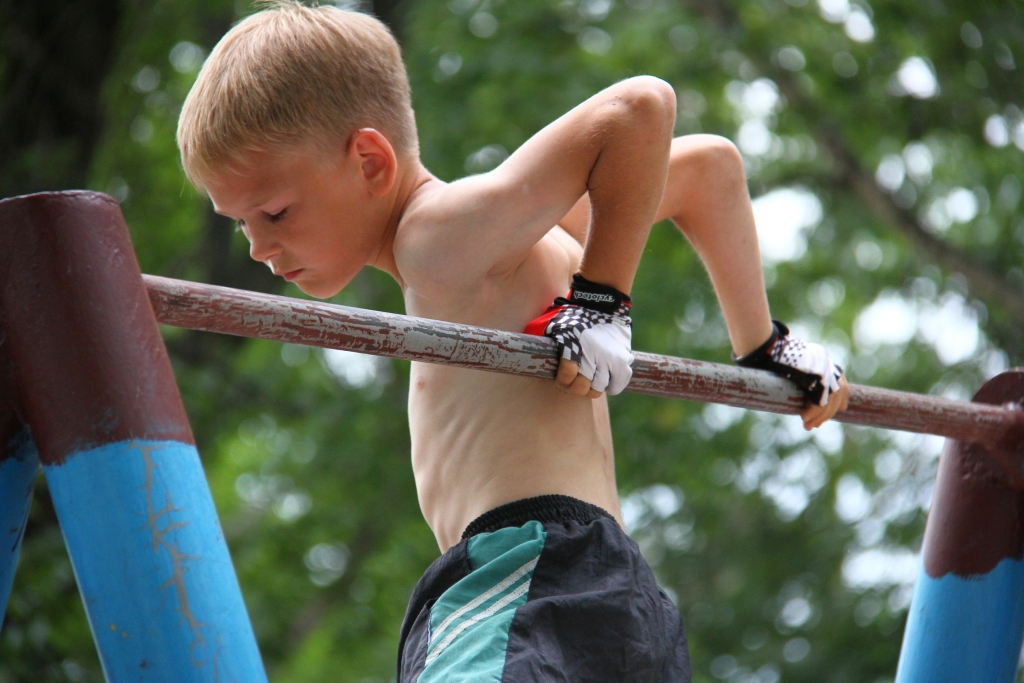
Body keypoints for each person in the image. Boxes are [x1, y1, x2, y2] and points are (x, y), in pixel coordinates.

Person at [176, 3, 849, 681]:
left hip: (523, 576)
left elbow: (639, 107)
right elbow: (710, 170)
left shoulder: (436, 239)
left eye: (274, 212)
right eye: (240, 225)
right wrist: (764, 346)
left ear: (370, 161)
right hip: (615, 600)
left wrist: (601, 300)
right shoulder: (519, 239)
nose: (260, 247)